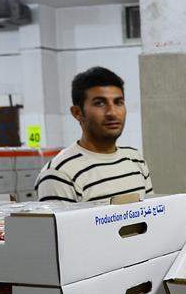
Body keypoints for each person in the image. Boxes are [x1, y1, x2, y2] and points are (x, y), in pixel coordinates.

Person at [35, 67, 152, 202]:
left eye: (118, 102)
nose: (112, 113)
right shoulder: (59, 174)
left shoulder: (135, 159)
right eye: (99, 103)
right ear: (77, 113)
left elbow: (151, 217)